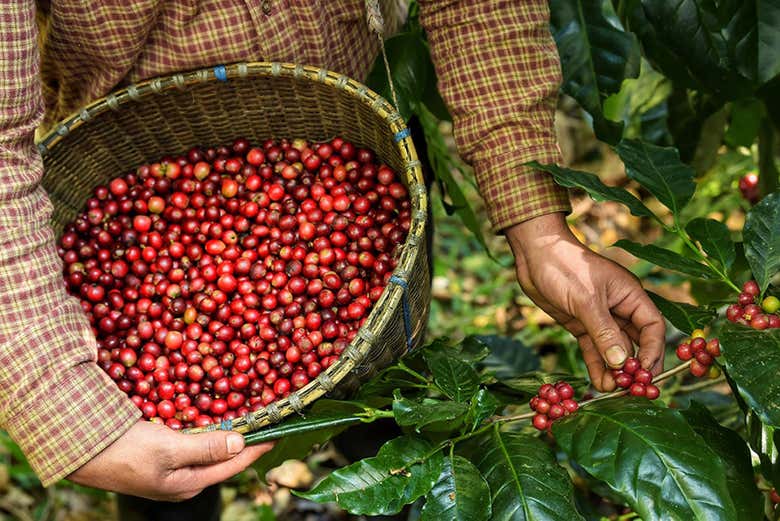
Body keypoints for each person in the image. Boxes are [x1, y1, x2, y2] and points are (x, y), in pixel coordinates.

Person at [0, 0, 665, 510]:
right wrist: (65, 405)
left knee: (386, 403)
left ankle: (377, 486)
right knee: (165, 473)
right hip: (128, 131)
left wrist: (539, 227)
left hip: (357, 119)